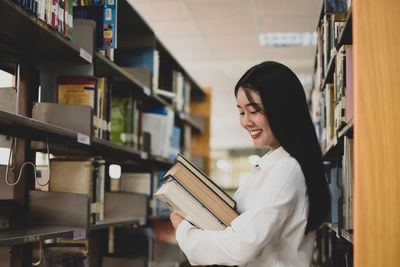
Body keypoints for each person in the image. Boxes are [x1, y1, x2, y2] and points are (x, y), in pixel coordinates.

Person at [170, 61, 331, 267]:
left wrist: (184, 230)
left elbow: (240, 247)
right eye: (241, 112)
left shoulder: (286, 170)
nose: (246, 122)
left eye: (254, 110)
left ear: (281, 109)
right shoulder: (276, 164)